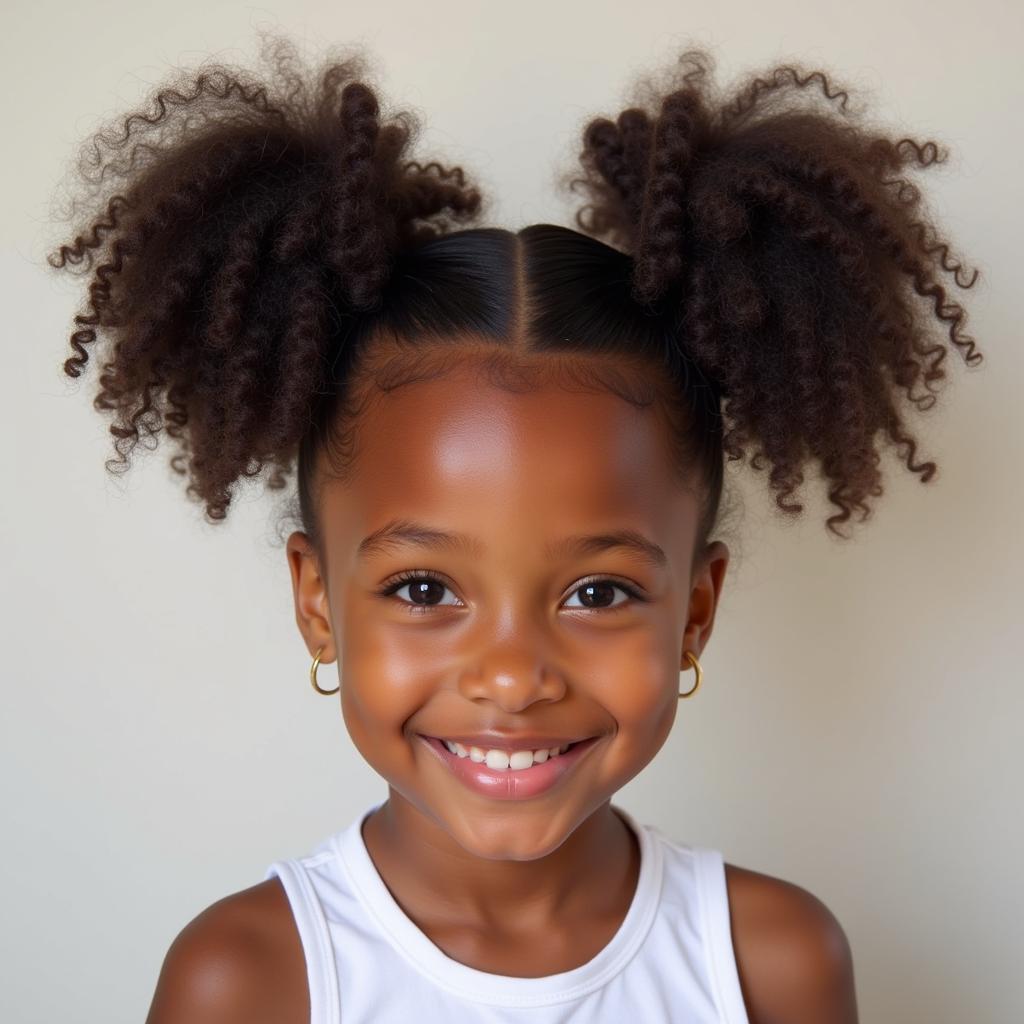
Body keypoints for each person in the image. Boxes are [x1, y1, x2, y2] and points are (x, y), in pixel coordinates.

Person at [49, 31, 982, 1024]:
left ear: (695, 611)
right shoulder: (247, 980)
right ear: (317, 603)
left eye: (599, 592)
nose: (511, 675)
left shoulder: (772, 963)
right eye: (422, 588)